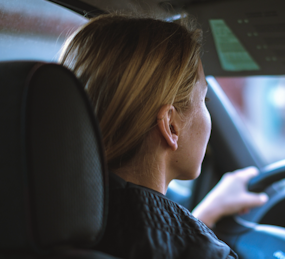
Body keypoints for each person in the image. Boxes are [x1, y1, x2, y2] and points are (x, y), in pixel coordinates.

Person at [60, 14, 268, 258]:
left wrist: (204, 216)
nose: (207, 110)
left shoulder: (48, 218)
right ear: (170, 126)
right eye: (205, 100)